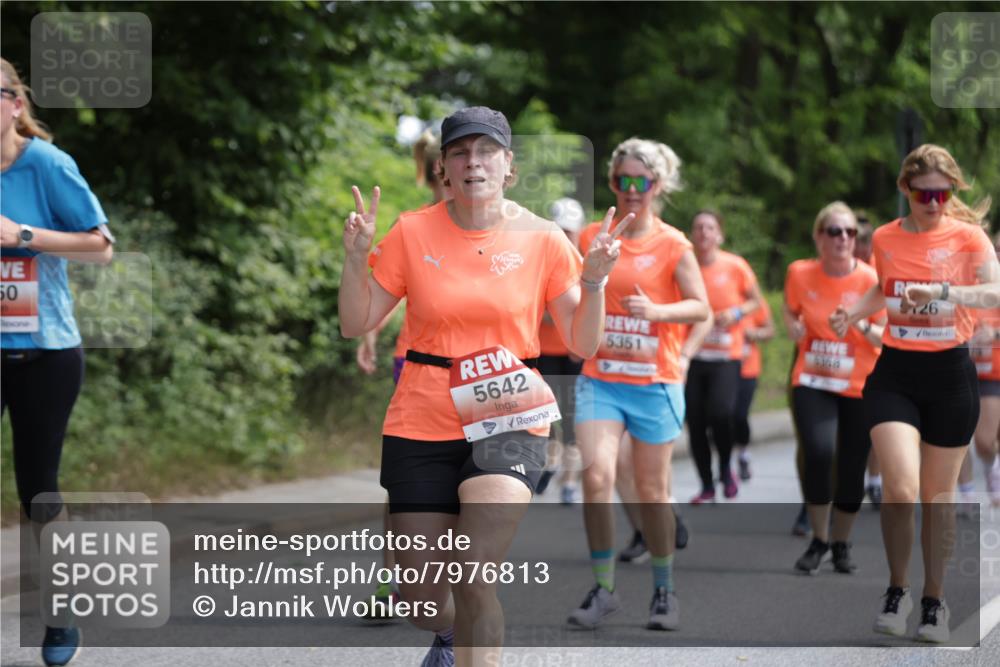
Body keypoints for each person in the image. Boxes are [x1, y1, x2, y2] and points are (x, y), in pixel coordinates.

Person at [339, 106, 633, 667]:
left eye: (486, 151)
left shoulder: (544, 238)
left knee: (475, 574)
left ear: (508, 166)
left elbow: (582, 340)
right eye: (460, 152)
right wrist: (355, 259)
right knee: (422, 595)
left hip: (509, 409)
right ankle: (445, 635)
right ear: (444, 169)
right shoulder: (411, 230)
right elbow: (357, 320)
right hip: (421, 413)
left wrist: (593, 280)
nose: (473, 162)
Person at [830, 144, 997, 643]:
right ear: (906, 190)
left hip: (950, 376)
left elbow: (993, 293)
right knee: (901, 490)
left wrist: (943, 293)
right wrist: (855, 313)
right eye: (924, 193)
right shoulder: (884, 236)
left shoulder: (968, 237)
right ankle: (898, 589)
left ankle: (934, 601)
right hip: (896, 373)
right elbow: (884, 286)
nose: (933, 202)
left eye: (942, 193)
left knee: (937, 498)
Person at [567, 137, 710, 632]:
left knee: (652, 491)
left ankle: (664, 589)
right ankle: (604, 589)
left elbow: (701, 308)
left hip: (654, 382)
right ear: (611, 184)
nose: (630, 191)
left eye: (640, 182)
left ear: (658, 186)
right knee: (596, 476)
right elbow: (564, 291)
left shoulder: (674, 244)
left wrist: (658, 312)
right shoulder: (591, 233)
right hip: (601, 379)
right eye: (620, 181)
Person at [1, 57, 114, 667]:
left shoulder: (46, 164)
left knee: (38, 489)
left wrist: (21, 235)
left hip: (43, 350)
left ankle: (60, 610)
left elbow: (101, 246)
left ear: (15, 104)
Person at [356, 128, 449, 620]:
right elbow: (387, 289)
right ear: (442, 168)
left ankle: (416, 578)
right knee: (408, 484)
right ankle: (399, 577)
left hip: (472, 372)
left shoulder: (487, 221)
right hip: (418, 362)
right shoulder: (415, 226)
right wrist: (371, 331)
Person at [783, 202, 884, 575]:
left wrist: (858, 325)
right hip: (812, 380)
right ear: (819, 237)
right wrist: (793, 325)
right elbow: (790, 309)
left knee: (852, 467)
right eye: (834, 232)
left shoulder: (871, 280)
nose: (843, 238)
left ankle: (842, 542)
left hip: (858, 385)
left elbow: (884, 339)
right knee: (819, 452)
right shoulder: (799, 272)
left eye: (850, 233)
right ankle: (820, 539)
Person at [686, 210, 763, 502]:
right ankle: (706, 485)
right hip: (693, 354)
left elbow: (756, 301)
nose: (704, 232)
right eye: (698, 227)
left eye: (710, 228)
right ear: (692, 235)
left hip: (726, 356)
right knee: (694, 421)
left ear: (719, 234)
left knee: (721, 413)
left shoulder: (735, 266)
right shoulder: (685, 264)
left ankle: (726, 467)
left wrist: (736, 312)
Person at [535, 197, 586, 505]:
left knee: (570, 419)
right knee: (546, 417)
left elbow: (591, 311)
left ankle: (569, 481)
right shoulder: (537, 263)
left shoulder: (585, 264)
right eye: (559, 231)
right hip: (543, 350)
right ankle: (551, 464)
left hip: (573, 354)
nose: (565, 238)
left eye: (569, 232)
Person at [967, 229, 1000, 507]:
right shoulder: (978, 290)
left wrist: (996, 336)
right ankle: (993, 471)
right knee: (984, 442)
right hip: (985, 374)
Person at [854, 210, 883, 507]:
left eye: (864, 241)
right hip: (838, 368)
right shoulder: (836, 268)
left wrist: (860, 324)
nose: (859, 247)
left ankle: (874, 481)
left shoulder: (878, 272)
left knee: (874, 429)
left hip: (873, 361)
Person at [734, 284, 775, 481]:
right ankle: (724, 464)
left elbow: (769, 331)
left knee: (740, 415)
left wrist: (754, 334)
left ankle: (743, 454)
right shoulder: (719, 301)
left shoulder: (754, 304)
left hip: (747, 368)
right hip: (721, 367)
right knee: (721, 416)